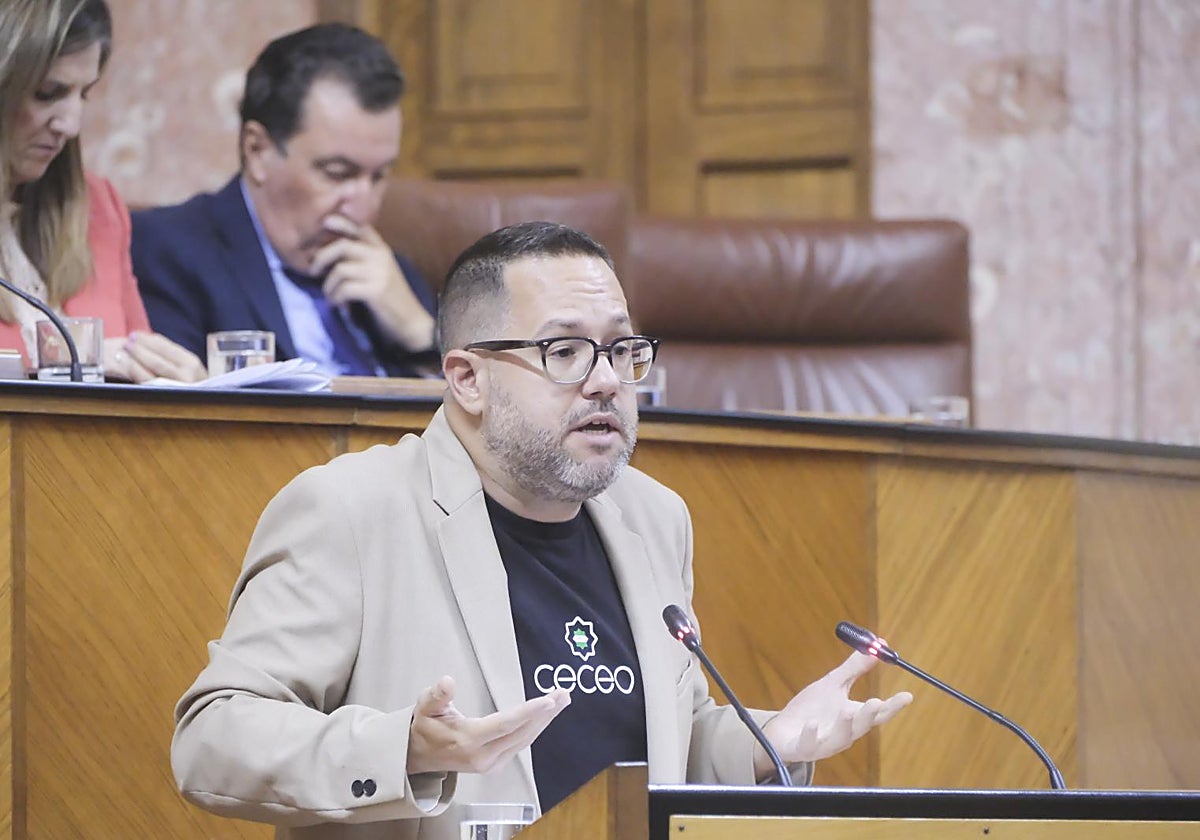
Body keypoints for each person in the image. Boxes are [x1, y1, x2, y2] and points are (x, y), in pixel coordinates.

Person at [172, 221, 912, 839]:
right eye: (564, 352)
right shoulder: (351, 510)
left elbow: (669, 743)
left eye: (621, 350)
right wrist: (404, 749)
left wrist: (764, 744)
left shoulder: (654, 517)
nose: (607, 380)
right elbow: (212, 739)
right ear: (468, 379)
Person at [130, 24, 437, 379]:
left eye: (379, 176)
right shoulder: (169, 254)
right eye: (337, 174)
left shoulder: (393, 277)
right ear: (257, 151)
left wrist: (421, 335)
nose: (363, 208)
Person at [0, 0, 206, 382]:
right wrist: (70, 362)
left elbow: (142, 368)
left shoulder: (99, 208)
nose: (70, 125)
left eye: (84, 94)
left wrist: (186, 387)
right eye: (47, 92)